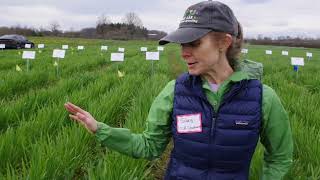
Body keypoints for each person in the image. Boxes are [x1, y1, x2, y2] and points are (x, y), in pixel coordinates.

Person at [64, 1, 293, 179]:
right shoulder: (174, 92)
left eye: (194, 43)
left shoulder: (262, 98)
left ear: (224, 42)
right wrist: (101, 130)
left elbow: (280, 156)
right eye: (182, 44)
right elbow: (149, 146)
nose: (184, 52)